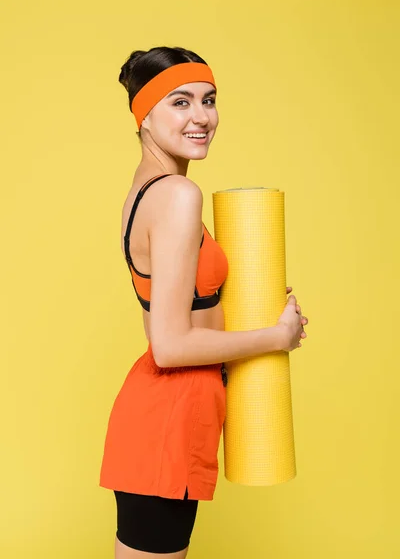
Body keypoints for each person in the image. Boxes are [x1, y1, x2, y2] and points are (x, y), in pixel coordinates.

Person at [99, 45, 309, 559]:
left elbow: (184, 308)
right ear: (143, 116)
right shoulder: (176, 195)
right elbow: (169, 344)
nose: (201, 117)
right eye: (179, 102)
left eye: (208, 100)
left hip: (171, 413)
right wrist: (276, 337)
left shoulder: (148, 188)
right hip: (168, 416)